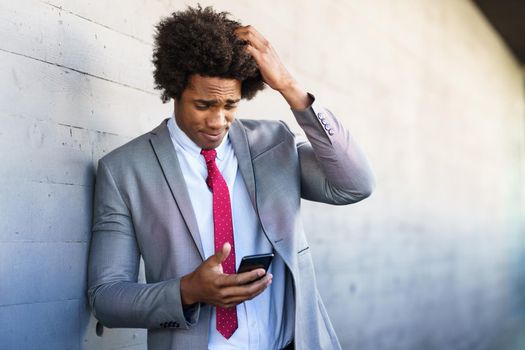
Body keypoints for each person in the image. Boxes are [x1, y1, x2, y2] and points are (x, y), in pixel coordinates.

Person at [88, 5, 374, 350]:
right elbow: (105, 297)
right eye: (204, 105)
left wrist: (291, 88)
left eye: (230, 106)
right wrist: (189, 290)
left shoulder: (273, 145)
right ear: (174, 90)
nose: (218, 121)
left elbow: (354, 185)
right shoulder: (125, 171)